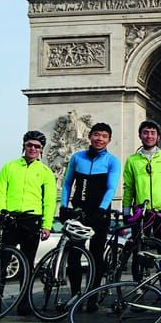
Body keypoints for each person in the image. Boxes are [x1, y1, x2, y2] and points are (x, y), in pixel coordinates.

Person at [0, 130, 57, 315]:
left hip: (32, 220)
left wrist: (46, 224)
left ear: (42, 150)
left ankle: (24, 303)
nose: (33, 149)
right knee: (1, 263)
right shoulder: (9, 167)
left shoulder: (45, 172)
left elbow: (49, 201)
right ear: (24, 146)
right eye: (30, 145)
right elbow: (0, 192)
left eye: (37, 146)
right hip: (10, 218)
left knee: (27, 264)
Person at [60, 122, 121, 310]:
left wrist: (102, 210)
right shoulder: (77, 158)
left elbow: (111, 188)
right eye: (96, 134)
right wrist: (63, 206)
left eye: (104, 136)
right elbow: (67, 183)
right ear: (90, 136)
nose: (99, 139)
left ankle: (92, 296)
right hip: (79, 211)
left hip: (99, 213)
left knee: (96, 256)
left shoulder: (112, 161)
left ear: (109, 140)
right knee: (74, 256)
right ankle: (75, 294)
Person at [122, 120, 161, 246]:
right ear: (140, 136)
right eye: (145, 133)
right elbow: (128, 187)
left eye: (153, 133)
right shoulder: (132, 160)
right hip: (140, 211)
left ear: (158, 137)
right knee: (138, 249)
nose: (149, 136)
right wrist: (126, 210)